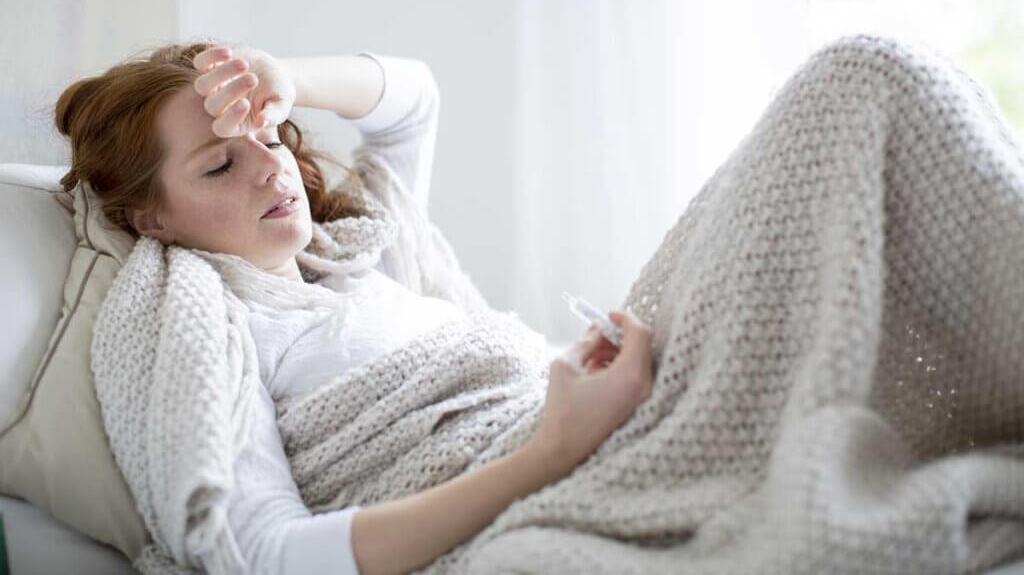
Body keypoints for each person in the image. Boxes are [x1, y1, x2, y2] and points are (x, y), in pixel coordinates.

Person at [55, 41, 655, 575]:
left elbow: (414, 99)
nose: (271, 167)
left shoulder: (364, 250)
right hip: (532, 505)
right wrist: (555, 447)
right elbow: (265, 555)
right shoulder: (207, 328)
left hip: (591, 441)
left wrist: (283, 75)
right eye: (220, 164)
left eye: (270, 138)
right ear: (152, 219)